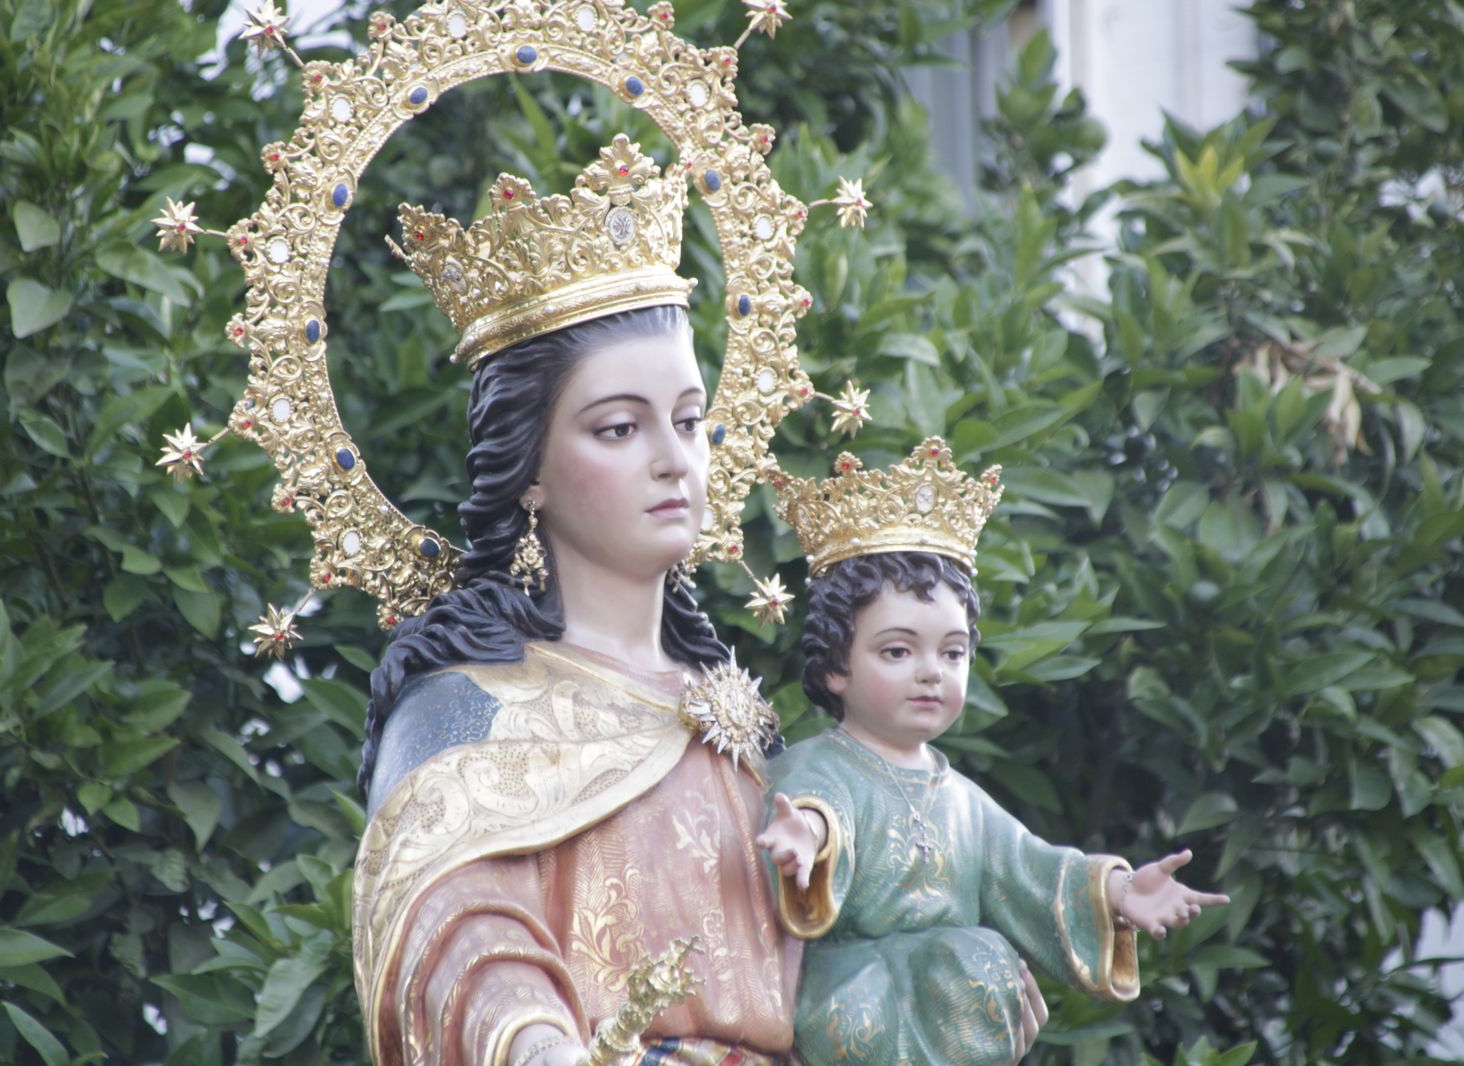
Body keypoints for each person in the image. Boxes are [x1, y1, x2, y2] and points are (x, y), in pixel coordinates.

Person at [353, 138, 804, 1066]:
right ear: (531, 473)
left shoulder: (737, 725)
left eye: (687, 420)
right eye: (618, 427)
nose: (675, 459)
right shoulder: (461, 709)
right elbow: (452, 941)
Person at [756, 440, 1230, 1065]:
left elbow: (1035, 870)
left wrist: (1118, 893)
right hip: (852, 1001)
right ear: (836, 667)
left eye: (952, 653)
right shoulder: (822, 766)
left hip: (952, 996)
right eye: (898, 652)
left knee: (980, 962)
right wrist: (807, 842)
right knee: (955, 969)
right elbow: (820, 812)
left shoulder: (960, 799)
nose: (932, 673)